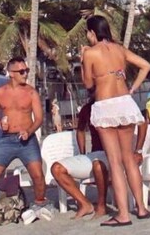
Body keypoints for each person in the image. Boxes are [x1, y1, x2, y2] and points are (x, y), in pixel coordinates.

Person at [81, 15, 150, 226]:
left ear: (92, 32)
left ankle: (123, 214)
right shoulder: (120, 49)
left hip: (105, 105)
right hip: (125, 102)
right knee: (128, 158)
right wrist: (133, 88)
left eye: (87, 33)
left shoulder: (90, 53)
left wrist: (82, 60)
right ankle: (141, 208)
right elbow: (146, 65)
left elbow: (88, 84)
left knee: (114, 162)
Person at [0, 56, 54, 222]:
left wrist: (29, 131)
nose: (25, 74)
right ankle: (7, 203)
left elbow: (39, 119)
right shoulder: (0, 93)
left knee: (38, 175)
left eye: (26, 70)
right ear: (11, 73)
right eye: (22, 71)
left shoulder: (31, 92)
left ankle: (39, 204)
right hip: (6, 140)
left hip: (27, 140)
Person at [51, 89, 109, 219]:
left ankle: (102, 205)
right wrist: (82, 153)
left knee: (98, 165)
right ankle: (85, 204)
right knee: (57, 168)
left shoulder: (113, 104)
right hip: (95, 153)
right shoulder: (87, 109)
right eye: (90, 91)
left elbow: (142, 122)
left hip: (112, 154)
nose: (92, 93)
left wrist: (138, 150)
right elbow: (80, 130)